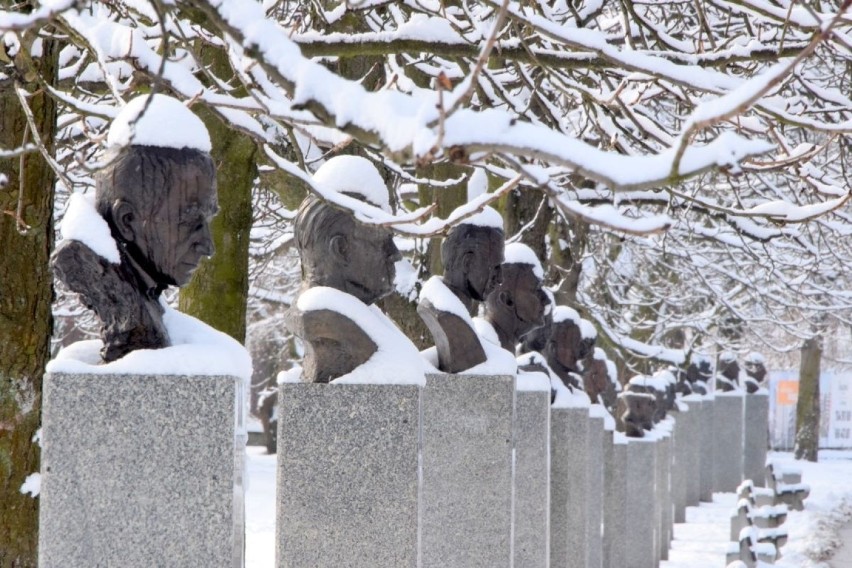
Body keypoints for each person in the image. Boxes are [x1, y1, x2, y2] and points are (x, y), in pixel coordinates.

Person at [53, 111, 217, 362]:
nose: (208, 246)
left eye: (207, 221)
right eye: (189, 222)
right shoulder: (129, 311)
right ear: (128, 221)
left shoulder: (149, 297)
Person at [286, 155, 424, 384]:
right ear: (341, 249)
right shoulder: (324, 320)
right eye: (381, 241)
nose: (395, 253)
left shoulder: (368, 318)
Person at [417, 207, 504, 373]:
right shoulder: (445, 317)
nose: (500, 278)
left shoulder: (454, 314)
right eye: (495, 266)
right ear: (467, 262)